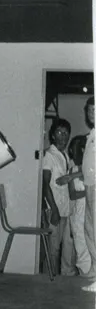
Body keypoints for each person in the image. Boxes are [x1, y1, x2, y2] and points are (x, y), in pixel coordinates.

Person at [42, 118, 75, 276]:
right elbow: (45, 183)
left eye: (66, 133)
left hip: (66, 209)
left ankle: (62, 279)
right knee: (53, 249)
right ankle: (51, 281)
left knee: (66, 249)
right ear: (53, 135)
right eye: (59, 133)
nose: (63, 136)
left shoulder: (65, 155)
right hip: (54, 209)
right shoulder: (49, 155)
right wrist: (53, 209)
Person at [58, 135, 91, 275]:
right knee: (81, 248)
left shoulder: (89, 169)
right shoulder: (73, 170)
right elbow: (72, 194)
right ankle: (85, 275)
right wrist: (88, 194)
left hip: (90, 212)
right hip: (79, 213)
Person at [80, 97, 96, 290]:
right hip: (90, 185)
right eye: (89, 110)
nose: (91, 113)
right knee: (89, 229)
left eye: (95, 110)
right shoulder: (92, 134)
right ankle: (94, 269)